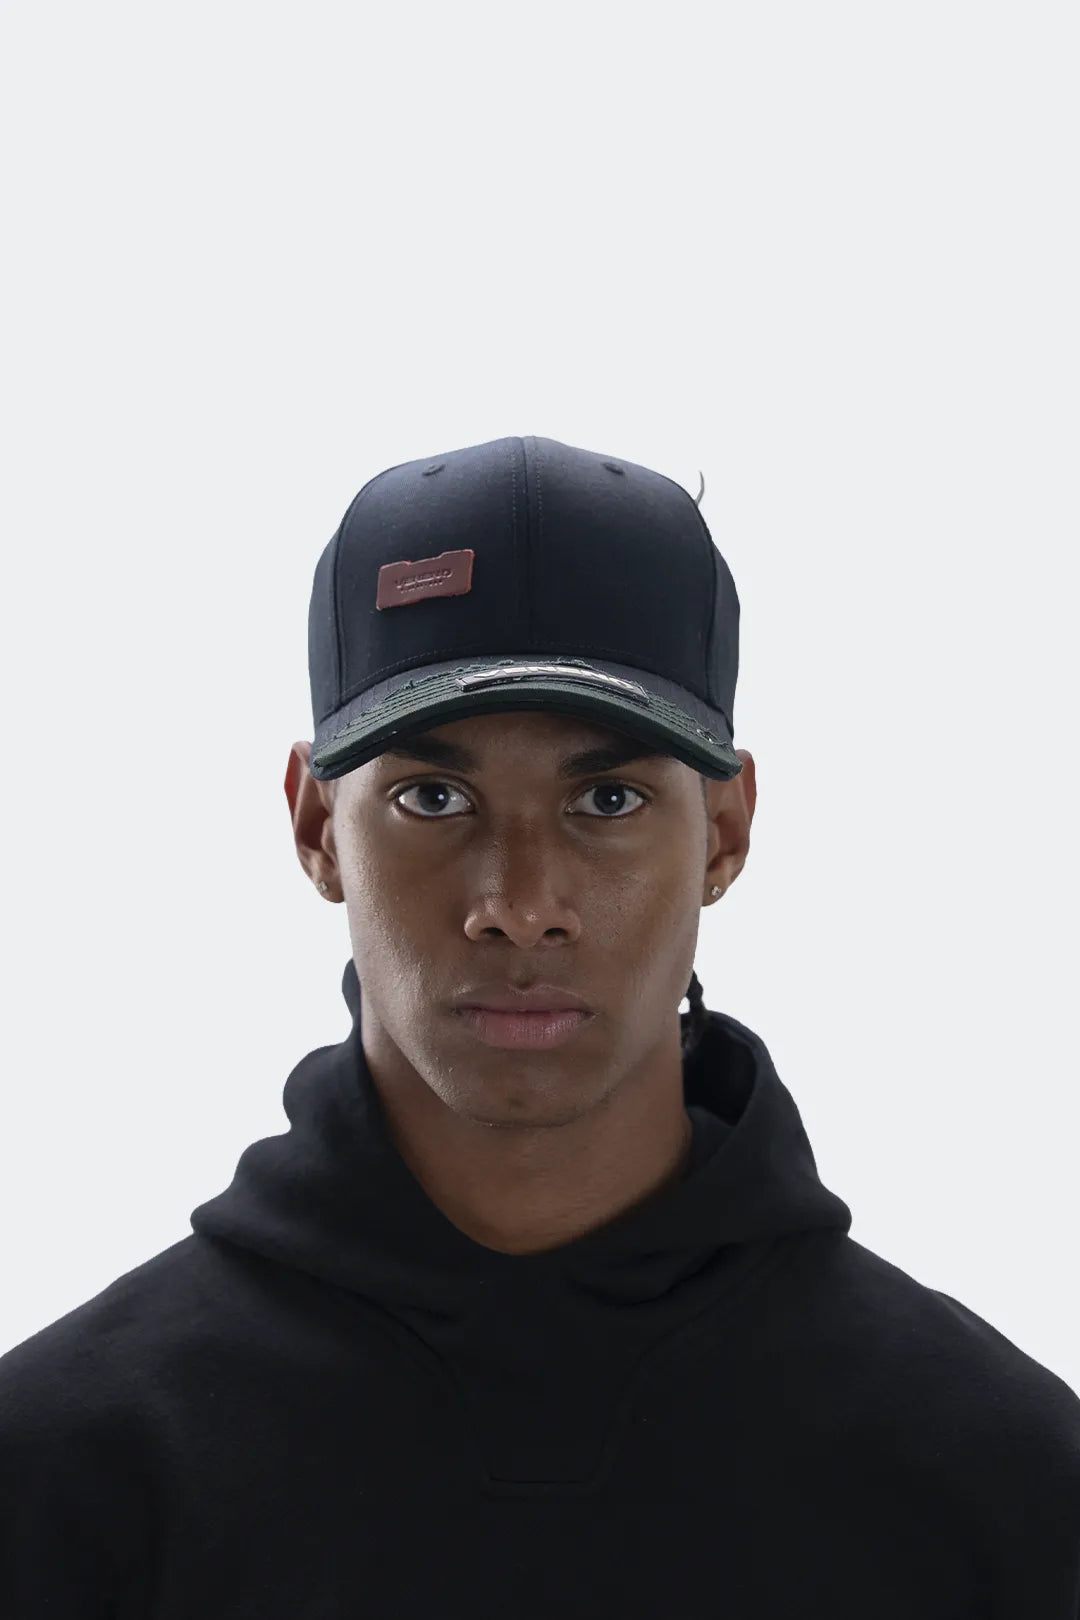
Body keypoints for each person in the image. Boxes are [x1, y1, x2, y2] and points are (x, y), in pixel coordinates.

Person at [1, 435, 1077, 1617]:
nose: (520, 905)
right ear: (317, 828)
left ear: (724, 831)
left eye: (607, 799)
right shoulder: (60, 1478)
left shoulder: (1008, 1486)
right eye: (433, 797)